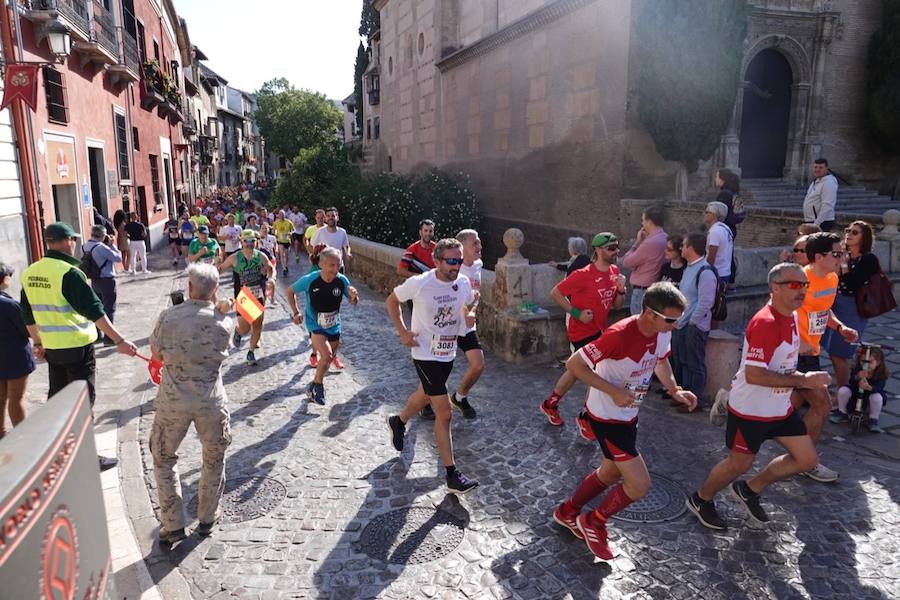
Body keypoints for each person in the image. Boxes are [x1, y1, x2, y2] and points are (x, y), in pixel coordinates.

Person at [552, 282, 696, 560]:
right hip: (607, 416)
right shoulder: (619, 335)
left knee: (609, 472)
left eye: (677, 320)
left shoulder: (661, 331)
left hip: (628, 415)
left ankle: (567, 512)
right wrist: (614, 391)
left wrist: (674, 389)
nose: (675, 325)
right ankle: (595, 521)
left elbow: (660, 360)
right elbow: (574, 364)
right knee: (639, 485)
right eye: (670, 320)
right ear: (649, 313)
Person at [687, 263, 827, 530]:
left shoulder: (792, 316)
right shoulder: (766, 323)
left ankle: (750, 490)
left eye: (804, 285)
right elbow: (755, 375)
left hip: (779, 407)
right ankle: (701, 499)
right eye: (795, 285)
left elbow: (782, 360)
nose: (802, 291)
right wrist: (803, 380)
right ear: (775, 287)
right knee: (739, 463)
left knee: (807, 459)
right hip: (750, 410)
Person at [20, 222, 138, 470]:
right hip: (78, 349)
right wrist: (118, 340)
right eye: (72, 239)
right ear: (67, 242)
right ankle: (85, 459)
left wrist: (38, 342)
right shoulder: (69, 273)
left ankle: (58, 453)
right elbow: (95, 310)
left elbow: (28, 315)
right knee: (82, 404)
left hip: (53, 350)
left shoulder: (30, 272)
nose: (74, 244)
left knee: (59, 402)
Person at [384, 238, 479, 494]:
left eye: (458, 261)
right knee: (444, 412)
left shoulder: (463, 282)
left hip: (447, 353)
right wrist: (403, 332)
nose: (456, 266)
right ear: (436, 261)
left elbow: (470, 302)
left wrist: (469, 314)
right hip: (425, 353)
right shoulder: (421, 283)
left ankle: (399, 420)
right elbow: (392, 301)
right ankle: (451, 474)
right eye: (450, 261)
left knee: (424, 395)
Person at [149, 263, 235, 548]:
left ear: (189, 288)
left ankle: (172, 524)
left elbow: (156, 352)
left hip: (173, 399)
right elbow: (228, 338)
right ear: (215, 290)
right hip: (211, 399)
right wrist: (220, 308)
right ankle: (208, 517)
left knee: (163, 457)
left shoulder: (168, 317)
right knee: (213, 457)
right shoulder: (224, 321)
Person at [540, 233, 626, 438]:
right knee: (597, 374)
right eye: (611, 248)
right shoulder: (583, 274)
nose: (616, 252)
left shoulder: (615, 271)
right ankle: (586, 417)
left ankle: (550, 404)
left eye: (617, 248)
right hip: (580, 331)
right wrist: (577, 313)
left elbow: (616, 305)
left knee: (576, 370)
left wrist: (621, 290)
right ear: (598, 250)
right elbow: (555, 293)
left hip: (598, 330)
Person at [795, 232, 858, 482]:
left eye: (842, 253)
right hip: (793, 354)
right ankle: (806, 461)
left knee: (786, 408)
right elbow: (779, 311)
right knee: (822, 405)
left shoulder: (831, 278)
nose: (841, 258)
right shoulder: (800, 279)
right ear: (819, 256)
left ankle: (732, 404)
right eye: (836, 254)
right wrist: (794, 345)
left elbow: (823, 310)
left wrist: (840, 327)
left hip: (811, 351)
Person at [287, 247, 359, 405]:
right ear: (321, 264)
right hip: (315, 323)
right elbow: (290, 290)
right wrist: (296, 312)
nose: (335, 269)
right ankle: (318, 386)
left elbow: (352, 301)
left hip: (334, 324)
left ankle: (313, 385)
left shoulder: (342, 280)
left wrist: (354, 297)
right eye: (331, 265)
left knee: (328, 358)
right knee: (326, 356)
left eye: (337, 265)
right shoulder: (310, 279)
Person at [823, 221, 879, 388]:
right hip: (834, 304)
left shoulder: (868, 259)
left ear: (864, 238)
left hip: (853, 309)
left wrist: (844, 265)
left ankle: (842, 392)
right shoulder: (840, 254)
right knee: (832, 351)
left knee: (840, 352)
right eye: (848, 230)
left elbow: (853, 284)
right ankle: (843, 386)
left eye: (855, 232)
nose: (848, 234)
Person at [671, 232, 718, 412]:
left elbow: (706, 302)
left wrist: (691, 322)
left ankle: (695, 401)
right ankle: (683, 396)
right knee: (681, 360)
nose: (681, 248)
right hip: (682, 324)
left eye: (683, 245)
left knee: (694, 363)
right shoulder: (690, 267)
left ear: (691, 248)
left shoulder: (705, 271)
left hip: (694, 326)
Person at [218, 229, 274, 366]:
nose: (249, 244)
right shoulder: (235, 258)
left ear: (256, 242)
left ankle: (251, 352)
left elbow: (270, 268)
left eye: (252, 241)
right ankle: (238, 332)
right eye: (246, 241)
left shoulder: (261, 256)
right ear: (241, 242)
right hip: (243, 296)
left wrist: (270, 278)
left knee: (257, 325)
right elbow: (219, 269)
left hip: (259, 295)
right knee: (246, 328)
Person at [449, 229, 485, 419]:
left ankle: (459, 397)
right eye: (475, 243)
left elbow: (475, 295)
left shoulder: (478, 265)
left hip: (467, 327)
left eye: (479, 242)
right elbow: (450, 298)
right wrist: (467, 311)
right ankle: (426, 401)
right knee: (439, 369)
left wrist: (472, 310)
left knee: (478, 365)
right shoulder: (453, 268)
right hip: (447, 325)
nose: (480, 246)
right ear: (463, 248)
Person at [0, 262, 35, 439]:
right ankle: (23, 437)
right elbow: (26, 329)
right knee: (16, 397)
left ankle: (1, 434)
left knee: (1, 397)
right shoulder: (9, 304)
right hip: (15, 357)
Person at [830, 345, 888, 433]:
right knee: (843, 390)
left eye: (870, 362)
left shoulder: (880, 374)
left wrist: (869, 388)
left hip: (869, 397)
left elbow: (879, 387)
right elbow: (851, 382)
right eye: (863, 361)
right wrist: (857, 376)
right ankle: (842, 412)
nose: (865, 365)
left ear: (878, 363)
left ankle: (873, 419)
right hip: (855, 395)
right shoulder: (858, 369)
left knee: (877, 397)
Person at [82, 225, 123, 345]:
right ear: (103, 235)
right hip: (106, 280)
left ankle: (97, 334)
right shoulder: (101, 248)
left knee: (97, 308)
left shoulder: (85, 246)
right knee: (109, 308)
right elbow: (118, 258)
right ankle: (109, 337)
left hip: (94, 280)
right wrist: (111, 245)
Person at [622, 205, 667, 315]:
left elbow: (626, 262)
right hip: (655, 289)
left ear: (650, 222)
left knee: (638, 327)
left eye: (643, 220)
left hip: (642, 292)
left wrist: (637, 243)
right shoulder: (666, 238)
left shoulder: (649, 243)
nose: (642, 224)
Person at [802, 158, 838, 232]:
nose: (817, 170)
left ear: (826, 168)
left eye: (821, 167)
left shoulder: (829, 183)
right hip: (812, 221)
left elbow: (827, 205)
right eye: (815, 167)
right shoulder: (816, 181)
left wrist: (816, 224)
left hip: (821, 222)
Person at [704, 201, 733, 285]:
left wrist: (704, 273)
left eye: (707, 212)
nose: (704, 214)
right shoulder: (726, 228)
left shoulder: (715, 231)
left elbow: (711, 257)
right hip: (725, 272)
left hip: (716, 273)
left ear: (715, 214)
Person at [714, 168, 742, 238]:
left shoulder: (724, 194)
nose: (715, 179)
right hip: (731, 229)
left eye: (717, 177)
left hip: (724, 230)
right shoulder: (732, 192)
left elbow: (720, 214)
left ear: (722, 179)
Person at [273, 210, 294, 276]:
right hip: (280, 240)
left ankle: (286, 265)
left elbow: (293, 230)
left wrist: (290, 233)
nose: (281, 216)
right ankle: (284, 268)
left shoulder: (289, 222)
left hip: (287, 241)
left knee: (286, 255)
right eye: (280, 214)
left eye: (282, 214)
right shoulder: (276, 222)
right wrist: (275, 234)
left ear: (284, 215)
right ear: (278, 215)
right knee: (282, 254)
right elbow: (274, 230)